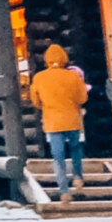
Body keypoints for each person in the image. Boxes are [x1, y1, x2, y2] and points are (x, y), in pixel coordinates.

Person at [29, 43, 89, 202]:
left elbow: (36, 101)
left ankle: (64, 191)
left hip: (52, 122)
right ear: (64, 58)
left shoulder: (39, 78)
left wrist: (47, 106)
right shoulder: (73, 76)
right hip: (72, 120)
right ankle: (77, 177)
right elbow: (82, 98)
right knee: (76, 150)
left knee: (58, 157)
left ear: (46, 59)